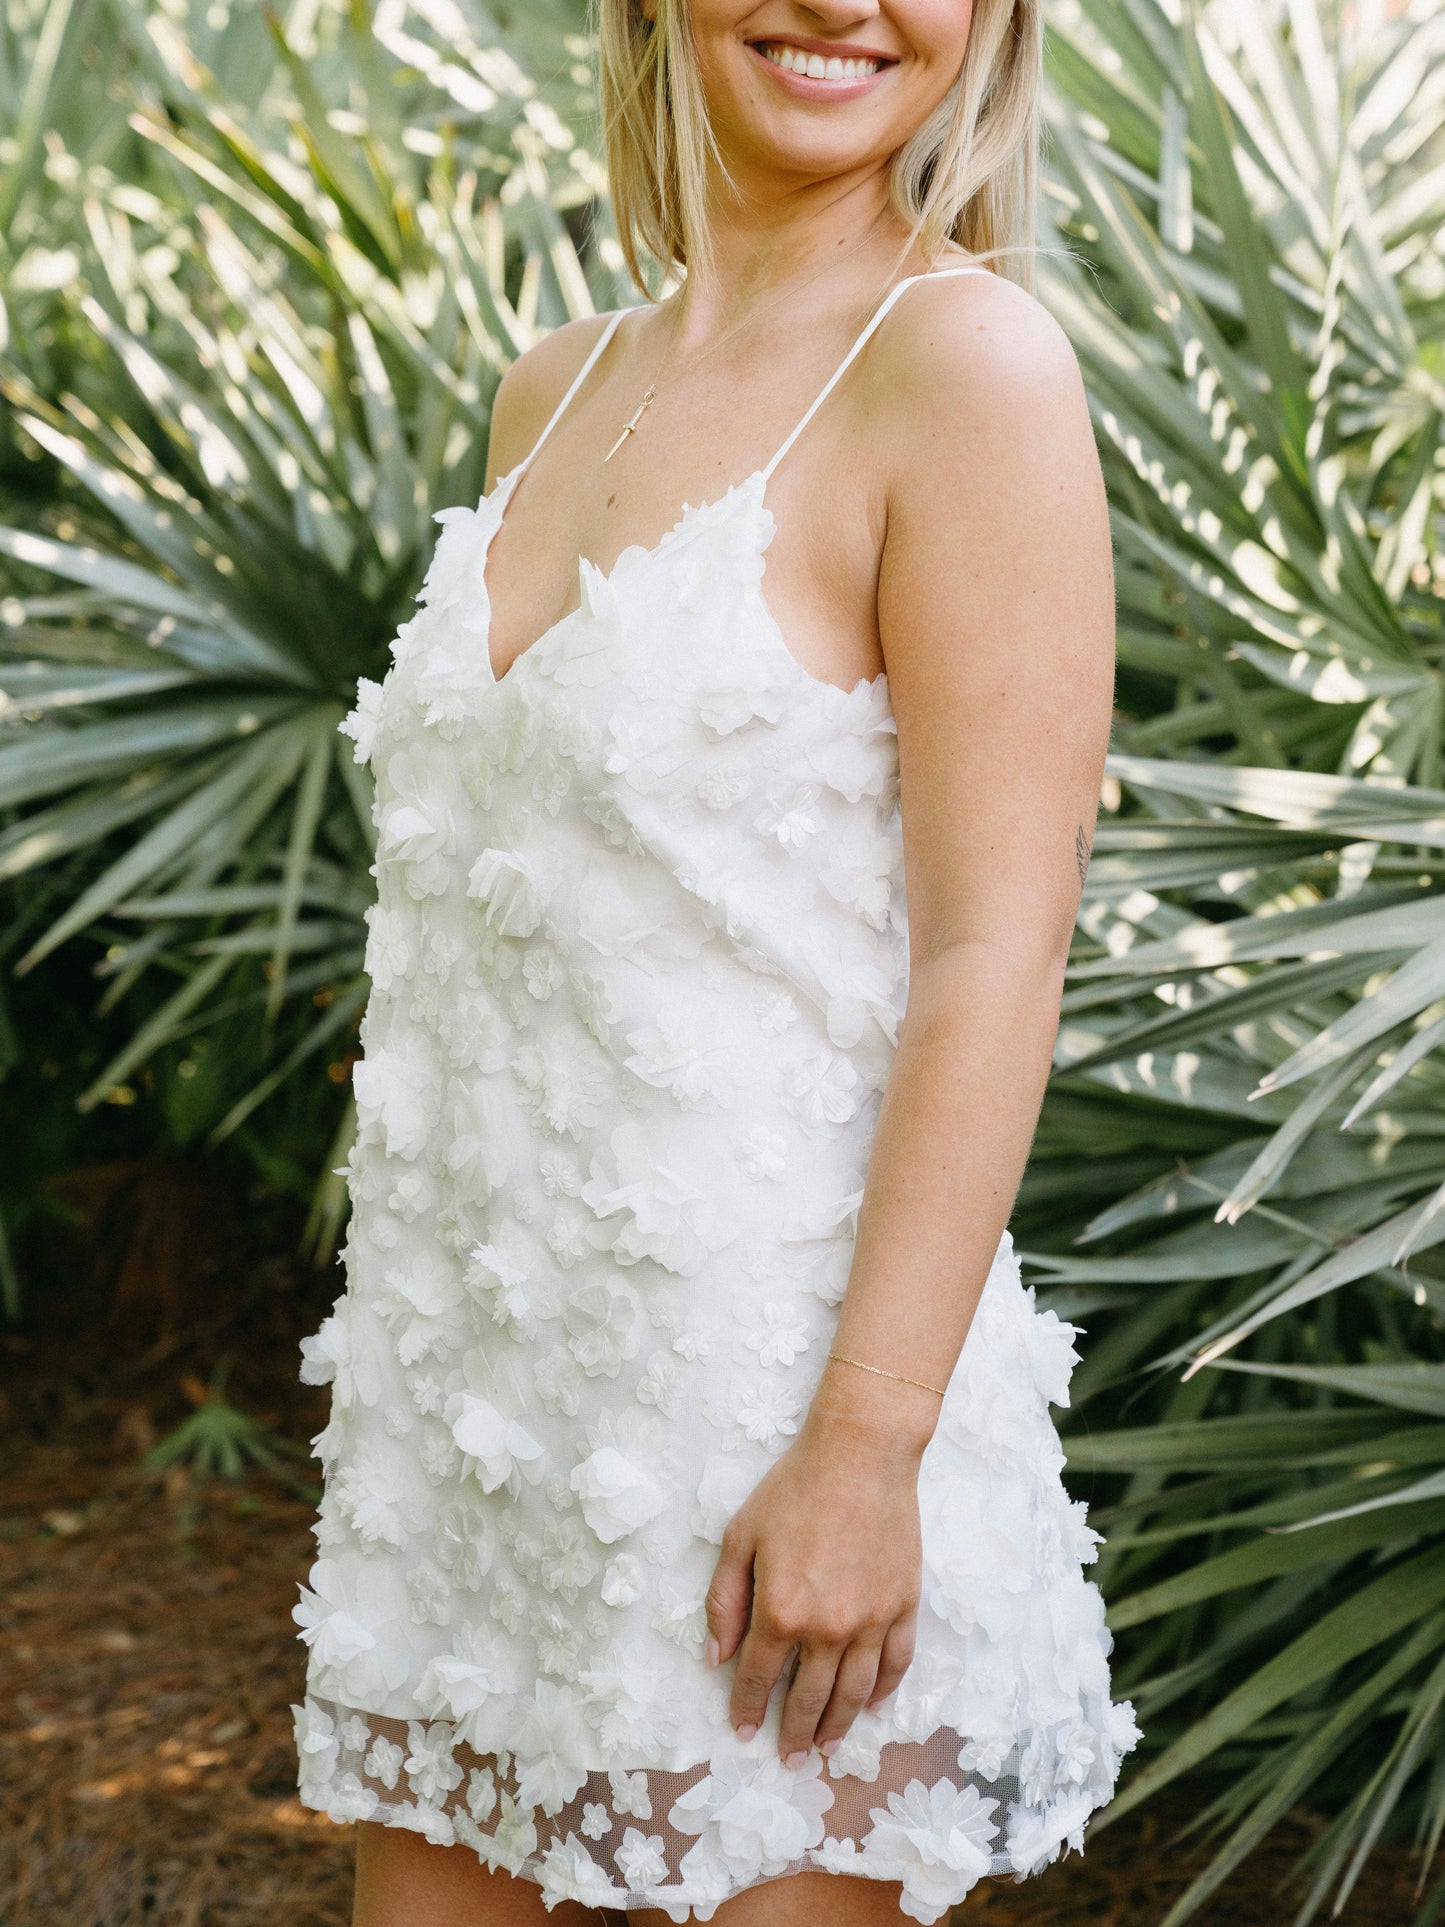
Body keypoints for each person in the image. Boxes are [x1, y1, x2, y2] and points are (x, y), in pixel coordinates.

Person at [291, 0, 1139, 1921]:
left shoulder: (966, 369)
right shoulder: (554, 385)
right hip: (481, 1429)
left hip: (778, 1435)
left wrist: (865, 1445)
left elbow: (995, 954)